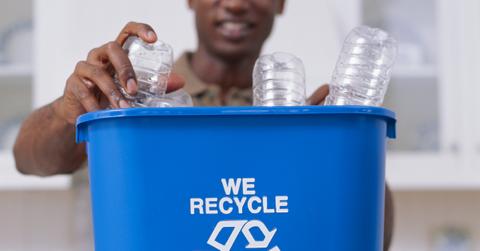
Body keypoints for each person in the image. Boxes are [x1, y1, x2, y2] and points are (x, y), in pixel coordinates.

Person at [13, 0, 393, 250]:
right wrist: (72, 110)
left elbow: (374, 235)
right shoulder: (130, 101)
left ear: (280, 3)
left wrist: (340, 157)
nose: (235, 3)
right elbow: (28, 158)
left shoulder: (309, 121)